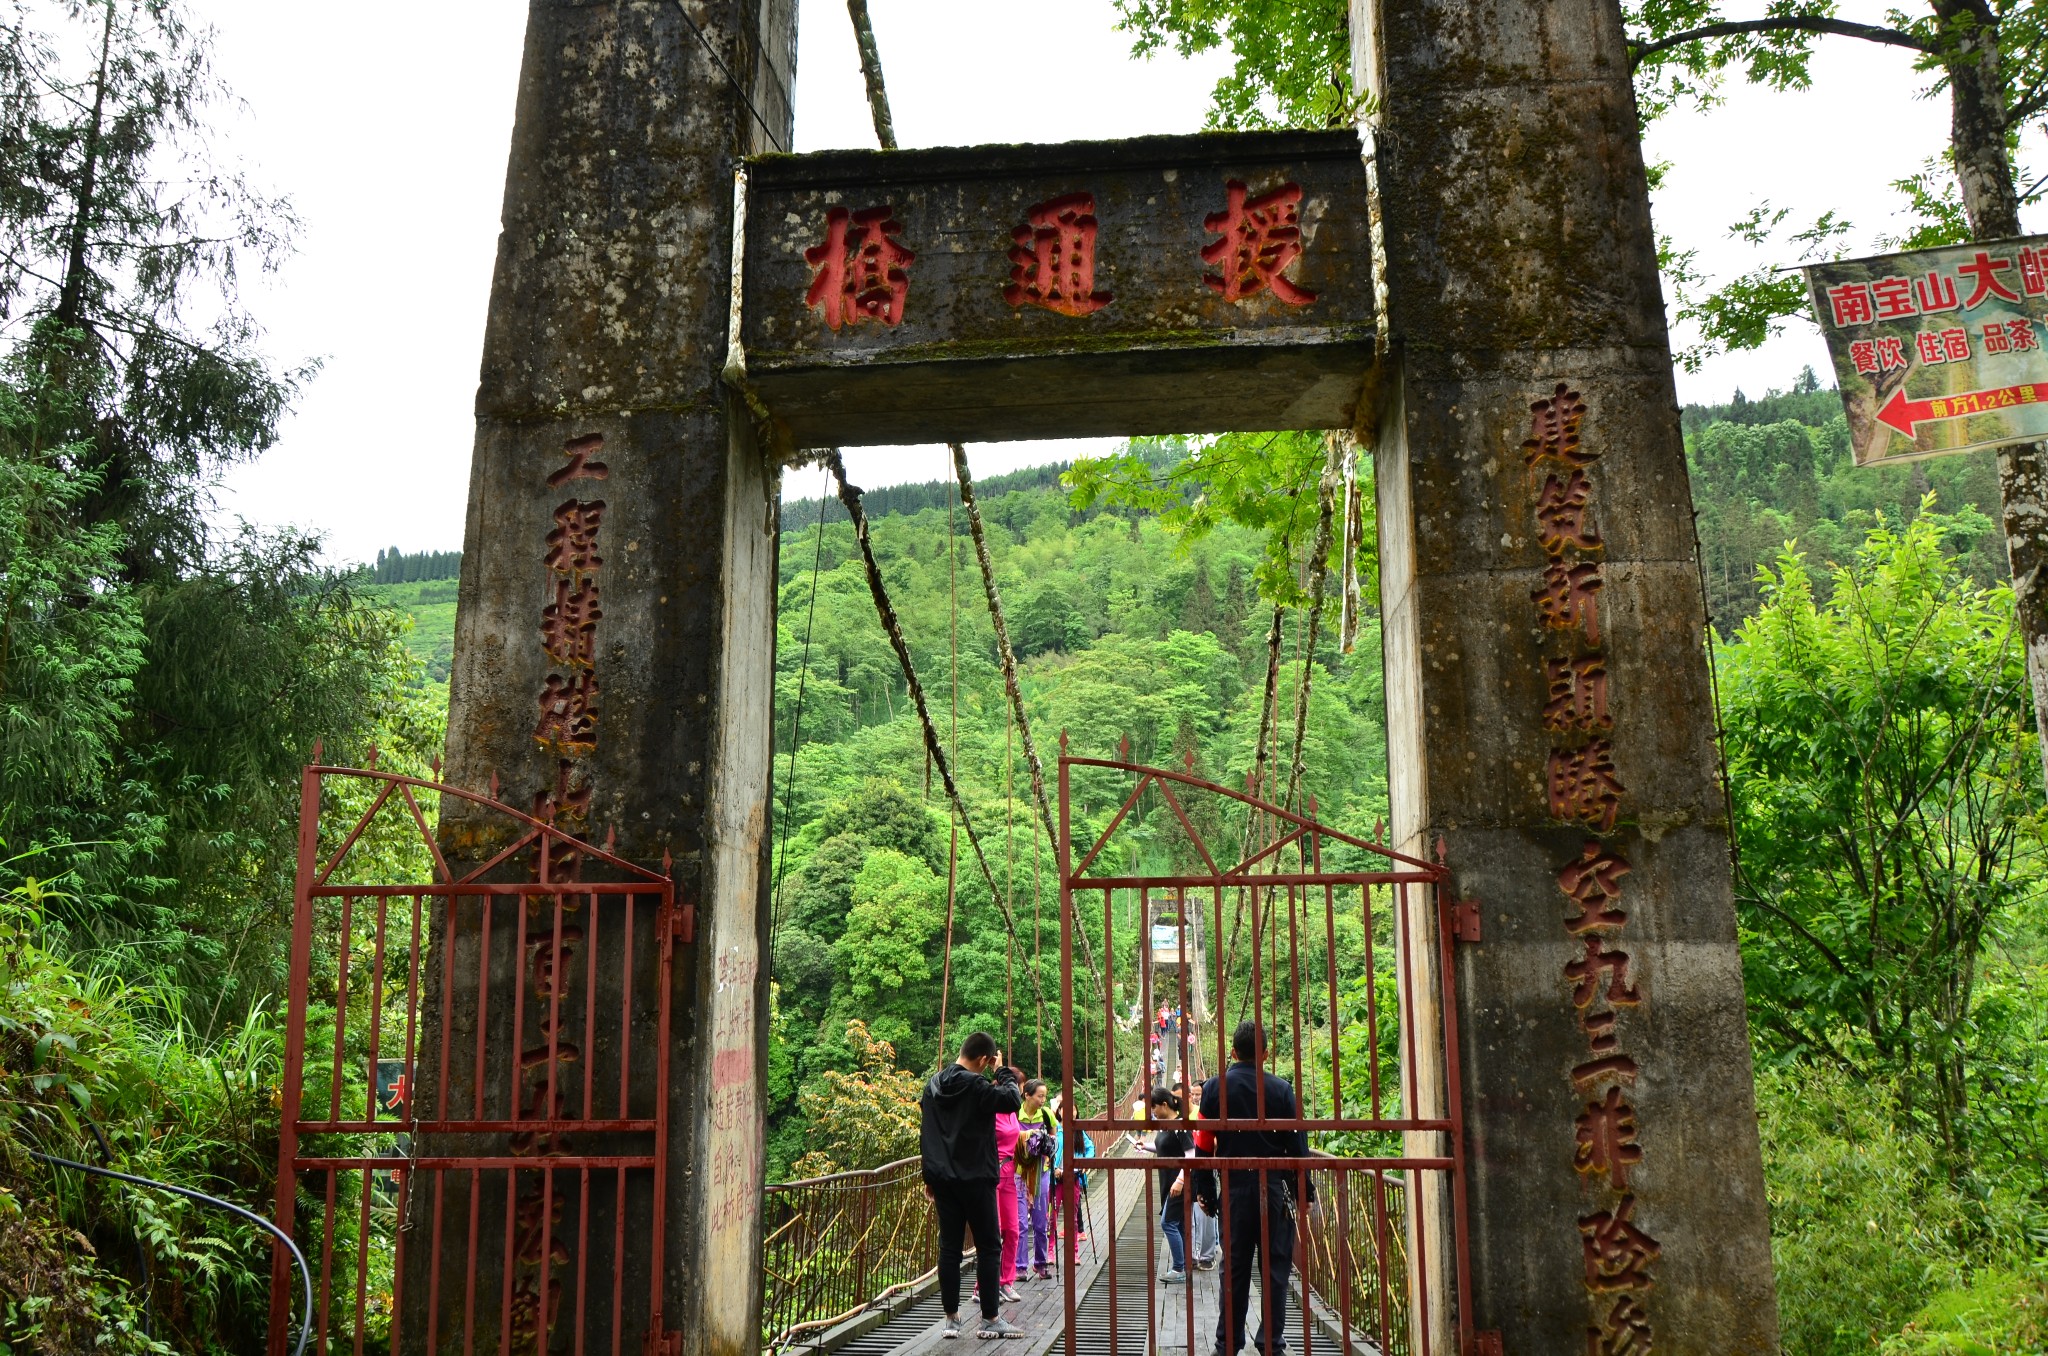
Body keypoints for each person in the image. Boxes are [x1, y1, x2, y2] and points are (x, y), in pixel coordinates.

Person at [1199, 1021, 1315, 1356]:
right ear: (1266, 1053)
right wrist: (1303, 1192)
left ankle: (1227, 1345)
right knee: (1275, 1271)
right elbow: (1298, 1147)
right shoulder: (1280, 1089)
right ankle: (1271, 1344)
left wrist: (1206, 1191)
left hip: (1234, 1187)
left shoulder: (1213, 1088)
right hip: (1273, 1188)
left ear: (1233, 1051)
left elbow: (1204, 1144)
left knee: (1233, 1270)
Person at [921, 1032, 1025, 1340]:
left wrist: (930, 1176)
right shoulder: (976, 1084)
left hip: (943, 1180)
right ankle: (990, 1319)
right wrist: (1002, 1071)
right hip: (977, 1178)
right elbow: (1011, 1099)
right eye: (988, 1063)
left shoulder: (933, 1085)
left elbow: (926, 1134)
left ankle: (951, 1319)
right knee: (990, 1246)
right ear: (984, 1059)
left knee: (950, 1247)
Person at [1145, 1086, 1193, 1285]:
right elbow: (1164, 1147)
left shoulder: (1181, 1125)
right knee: (1179, 1224)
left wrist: (1181, 1181)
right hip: (1169, 1181)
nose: (1152, 1112)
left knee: (1168, 1223)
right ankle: (1183, 1266)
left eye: (1154, 1107)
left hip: (1178, 1183)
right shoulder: (1166, 1126)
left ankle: (1179, 1268)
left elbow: (1191, 1155)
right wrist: (1145, 1146)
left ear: (1164, 1105)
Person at [1015, 1079, 1057, 1280]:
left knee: (1041, 1221)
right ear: (1027, 1095)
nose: (1043, 1100)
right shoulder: (1014, 1114)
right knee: (1021, 1223)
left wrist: (1048, 1148)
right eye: (1040, 1096)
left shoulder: (1047, 1114)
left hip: (1041, 1171)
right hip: (1019, 1172)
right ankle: (1020, 1266)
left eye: (1045, 1096)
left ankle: (1040, 1263)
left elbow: (1054, 1139)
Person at [992, 1072, 1025, 1303]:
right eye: (1018, 1085)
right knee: (993, 1232)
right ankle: (983, 1286)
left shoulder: (1013, 1112)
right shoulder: (990, 1109)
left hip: (1011, 1176)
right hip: (992, 1176)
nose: (1020, 1091)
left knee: (1013, 1231)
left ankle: (1006, 1282)